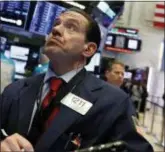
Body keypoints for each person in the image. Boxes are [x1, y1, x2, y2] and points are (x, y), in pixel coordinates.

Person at [0, 8, 153, 152]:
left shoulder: (114, 102)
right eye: (56, 24)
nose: (56, 30)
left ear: (88, 49)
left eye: (71, 27)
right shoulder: (15, 90)